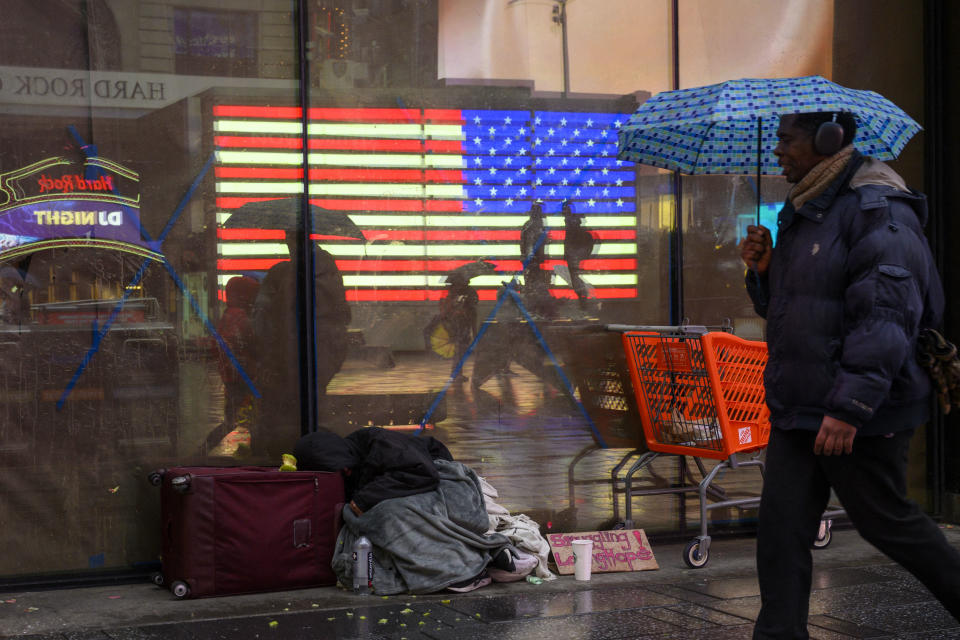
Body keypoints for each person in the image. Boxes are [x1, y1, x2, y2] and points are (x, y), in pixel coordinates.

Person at [739, 111, 960, 638]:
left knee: (890, 524)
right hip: (802, 405)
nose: (778, 152)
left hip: (859, 408)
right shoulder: (810, 210)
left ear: (829, 139)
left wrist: (849, 407)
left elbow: (886, 317)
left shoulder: (877, 210)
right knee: (781, 530)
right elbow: (798, 311)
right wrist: (764, 273)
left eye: (787, 141)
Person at [252, 232, 351, 456]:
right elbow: (341, 316)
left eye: (289, 238)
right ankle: (311, 454)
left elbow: (264, 322)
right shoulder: (327, 272)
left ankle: (289, 456)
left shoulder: (284, 275)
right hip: (319, 355)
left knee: (290, 413)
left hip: (293, 358)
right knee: (313, 408)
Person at [562, 201, 595, 304]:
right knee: (574, 276)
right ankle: (582, 296)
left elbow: (570, 240)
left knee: (574, 276)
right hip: (573, 253)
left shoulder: (570, 222)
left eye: (565, 210)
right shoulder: (571, 222)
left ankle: (582, 296)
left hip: (573, 254)